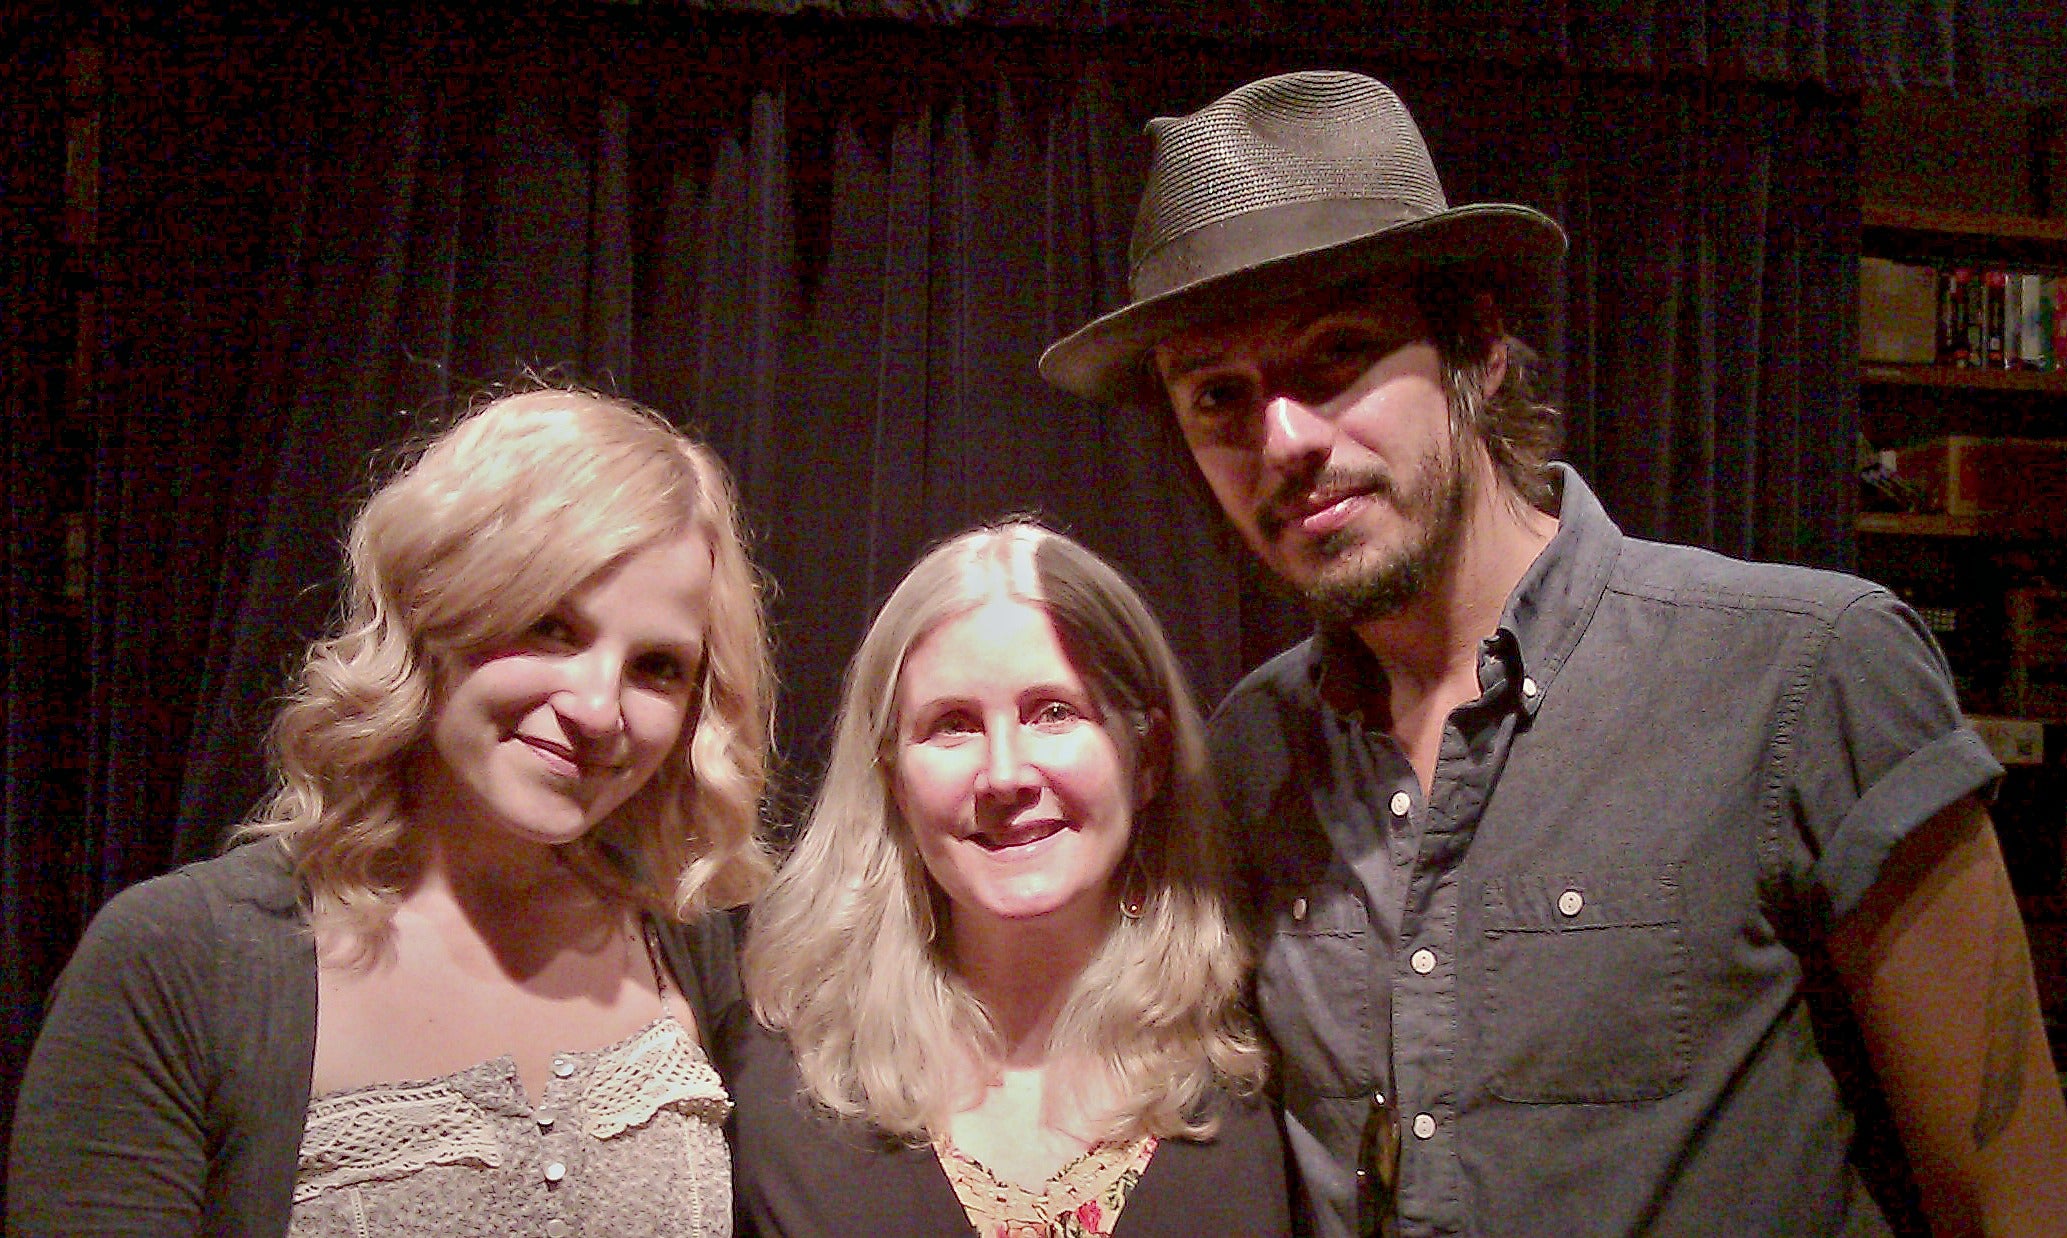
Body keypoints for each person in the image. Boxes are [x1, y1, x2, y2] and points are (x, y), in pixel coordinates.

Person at [1039, 70, 2067, 1237]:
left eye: (1336, 355)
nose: (1283, 438)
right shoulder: (1254, 754)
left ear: (1476, 347)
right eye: (1219, 396)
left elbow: (2015, 1196)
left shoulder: (1807, 675)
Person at [7, 388, 774, 1237]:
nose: (598, 709)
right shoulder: (179, 962)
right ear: (431, 607)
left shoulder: (683, 939)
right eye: (549, 626)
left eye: (658, 667)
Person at [724, 519, 1290, 1237]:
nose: (1004, 774)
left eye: (1053, 713)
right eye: (952, 724)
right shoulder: (779, 1085)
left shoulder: (1268, 1055)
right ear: (892, 777)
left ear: (1147, 757)